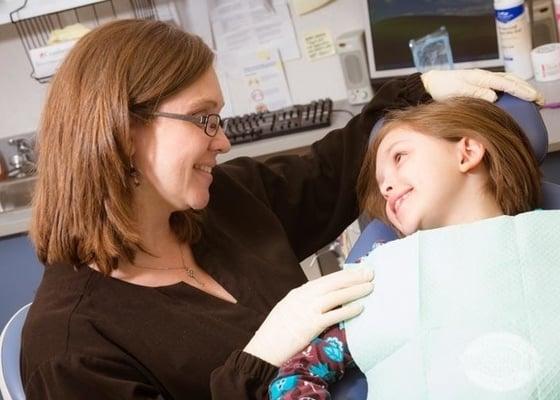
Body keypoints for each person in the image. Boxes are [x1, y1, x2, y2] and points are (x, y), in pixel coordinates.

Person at [20, 18, 542, 400]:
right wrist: (257, 360)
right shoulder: (69, 350)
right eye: (204, 119)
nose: (223, 141)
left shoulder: (222, 202)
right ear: (122, 130)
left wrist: (414, 94)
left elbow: (326, 171)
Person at [268, 97, 542, 400]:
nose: (386, 188)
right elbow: (297, 373)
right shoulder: (385, 277)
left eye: (399, 157)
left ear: (467, 152)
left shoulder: (547, 240)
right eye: (382, 183)